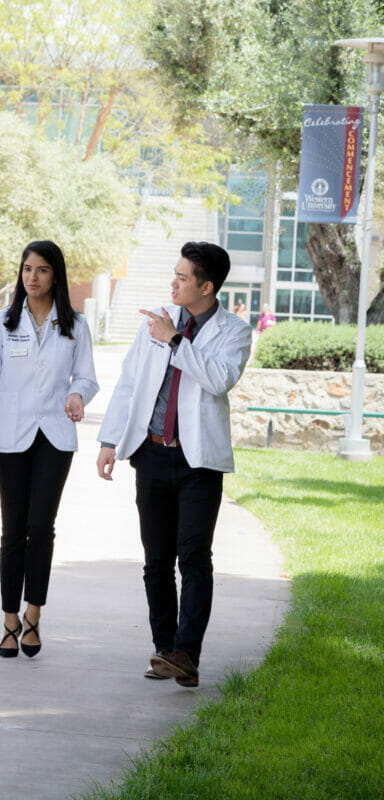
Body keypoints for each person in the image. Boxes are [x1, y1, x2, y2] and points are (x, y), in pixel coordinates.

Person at [96, 241, 252, 687]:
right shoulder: (157, 321)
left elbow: (218, 379)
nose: (174, 282)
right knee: (156, 560)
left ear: (206, 286)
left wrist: (175, 340)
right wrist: (110, 439)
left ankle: (187, 652)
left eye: (183, 277)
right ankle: (165, 649)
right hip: (151, 452)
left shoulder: (234, 331)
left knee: (194, 557)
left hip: (199, 462)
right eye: (175, 274)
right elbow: (129, 382)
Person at [0, 241, 98, 659]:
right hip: (12, 436)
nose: (32, 277)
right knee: (12, 530)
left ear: (55, 275)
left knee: (41, 527)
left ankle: (33, 616)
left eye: (41, 270)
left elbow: (88, 377)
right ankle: (8, 622)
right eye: (26, 269)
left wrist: (77, 395)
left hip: (55, 436)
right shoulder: (4, 322)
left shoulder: (74, 324)